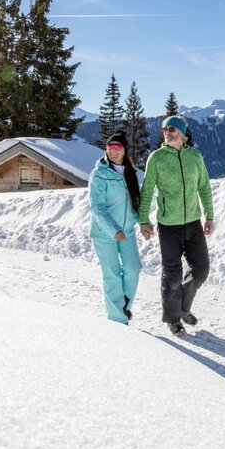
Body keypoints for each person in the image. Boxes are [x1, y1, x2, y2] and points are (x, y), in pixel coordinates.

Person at [139, 115, 214, 336]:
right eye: (164, 130)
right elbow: (147, 190)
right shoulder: (157, 158)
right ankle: (173, 319)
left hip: (193, 223)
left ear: (182, 133)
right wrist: (143, 220)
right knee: (172, 276)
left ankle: (183, 307)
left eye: (172, 129)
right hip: (169, 226)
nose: (167, 133)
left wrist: (209, 216)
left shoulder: (195, 156)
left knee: (201, 270)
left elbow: (204, 187)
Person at [88, 130, 143, 324]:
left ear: (124, 150)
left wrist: (144, 223)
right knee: (112, 274)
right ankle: (118, 319)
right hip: (104, 234)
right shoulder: (99, 174)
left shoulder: (130, 172)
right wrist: (113, 230)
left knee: (133, 269)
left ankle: (124, 306)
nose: (112, 150)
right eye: (109, 146)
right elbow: (97, 207)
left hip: (127, 231)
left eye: (117, 146)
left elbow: (136, 203)